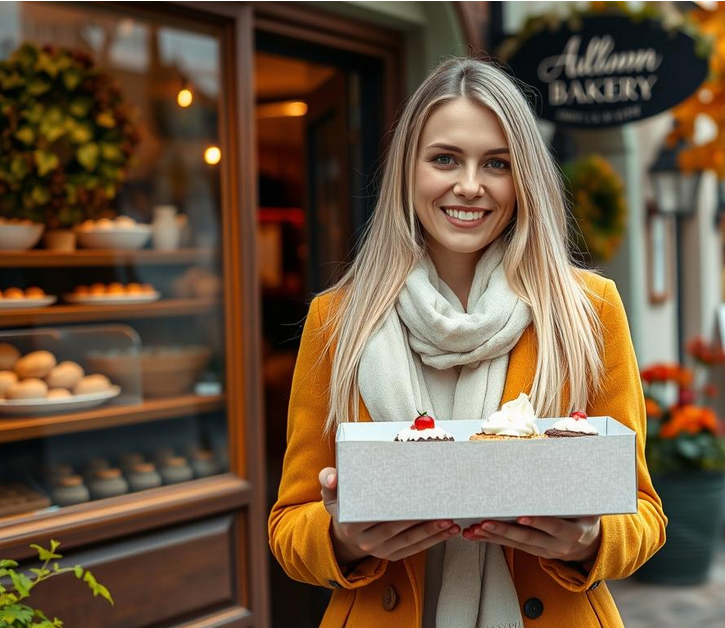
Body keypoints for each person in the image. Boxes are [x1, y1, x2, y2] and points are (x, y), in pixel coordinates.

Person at [268, 58, 666, 628]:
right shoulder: (337, 320)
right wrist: (343, 536)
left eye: (497, 163)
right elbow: (288, 529)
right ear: (409, 169)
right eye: (445, 158)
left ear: (523, 175)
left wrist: (586, 541)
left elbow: (645, 516)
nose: (470, 185)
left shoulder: (588, 309)